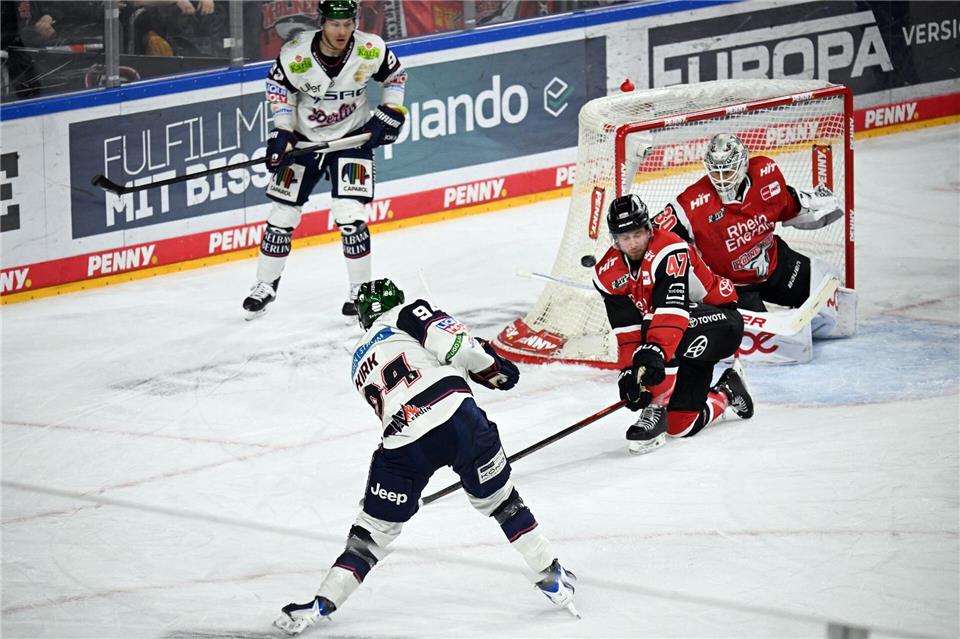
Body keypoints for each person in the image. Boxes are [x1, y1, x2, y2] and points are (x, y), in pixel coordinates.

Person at [273, 279, 578, 635]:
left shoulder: (358, 359)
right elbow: (455, 345)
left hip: (402, 445)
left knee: (371, 534)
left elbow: (418, 374)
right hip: (458, 422)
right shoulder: (405, 312)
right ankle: (552, 576)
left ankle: (321, 603)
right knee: (503, 502)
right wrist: (492, 367)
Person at [243, 0, 408, 320]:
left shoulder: (370, 49)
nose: (342, 31)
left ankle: (361, 291)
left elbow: (396, 77)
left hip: (351, 141)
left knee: (351, 215)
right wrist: (282, 131)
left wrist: (390, 112)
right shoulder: (296, 54)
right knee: (282, 215)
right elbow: (278, 87)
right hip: (305, 144)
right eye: (335, 24)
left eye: (348, 23)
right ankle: (265, 285)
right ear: (322, 23)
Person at [652, 133, 856, 360]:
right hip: (732, 288)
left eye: (728, 170)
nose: (721, 179)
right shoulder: (691, 203)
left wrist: (810, 204)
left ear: (743, 165)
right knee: (778, 346)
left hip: (776, 264)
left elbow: (788, 206)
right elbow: (654, 237)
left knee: (837, 309)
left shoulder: (766, 173)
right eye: (715, 171)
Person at [594, 194, 754, 455]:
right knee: (680, 425)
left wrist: (652, 361)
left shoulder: (670, 249)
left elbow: (672, 311)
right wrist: (630, 372)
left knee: (654, 330)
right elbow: (627, 331)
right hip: (682, 340)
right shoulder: (607, 273)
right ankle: (727, 391)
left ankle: (655, 409)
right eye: (625, 237)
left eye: (637, 234)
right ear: (615, 239)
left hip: (721, 323)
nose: (632, 243)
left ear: (648, 228)